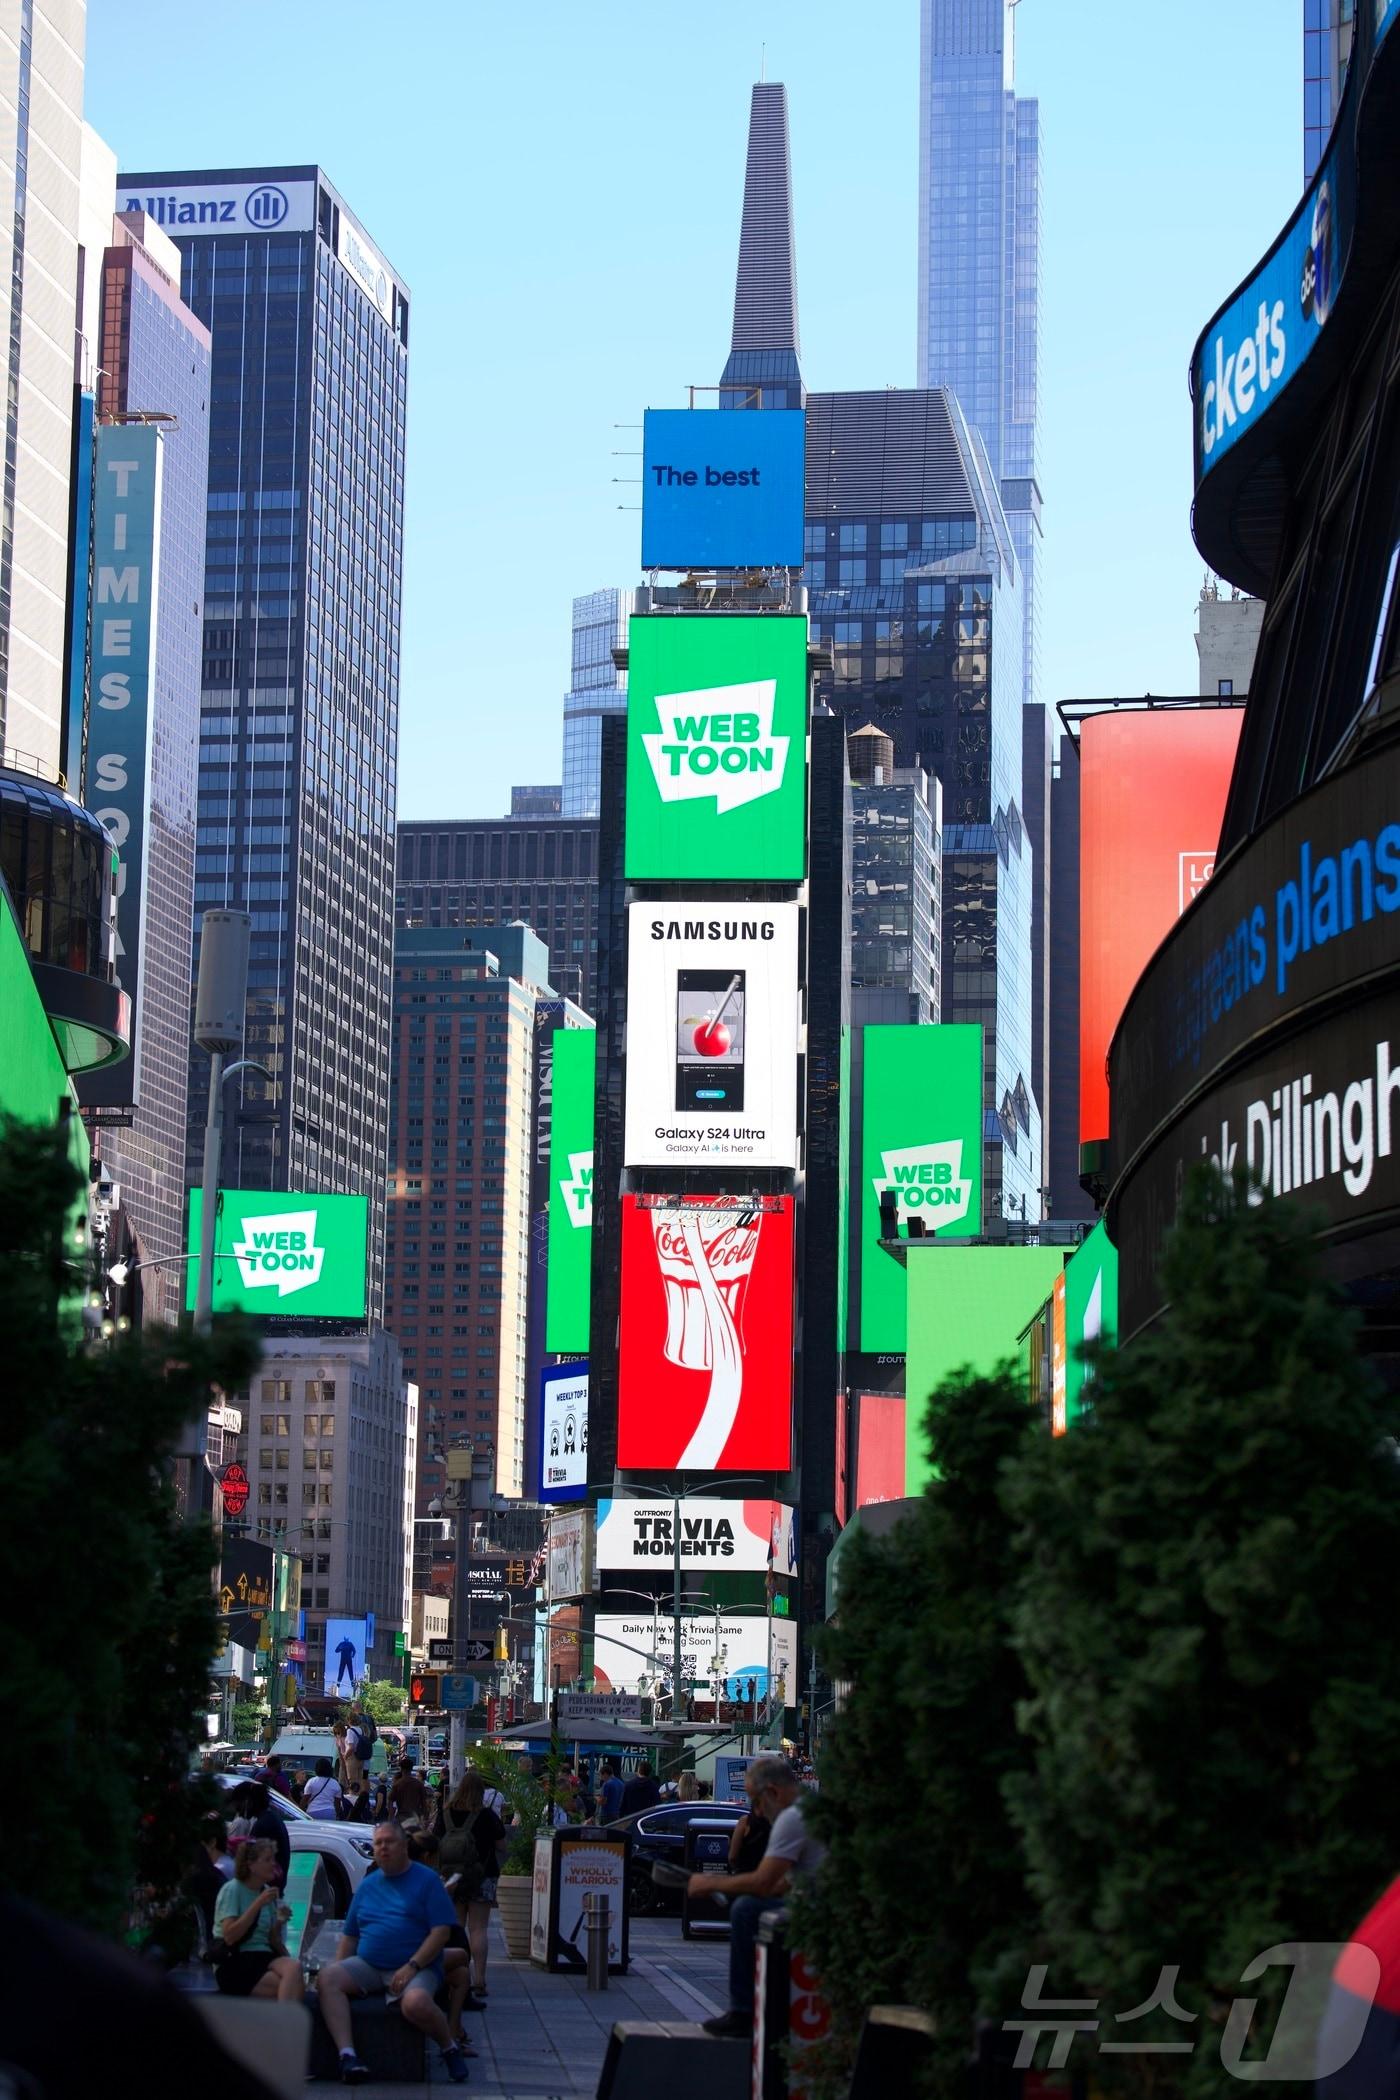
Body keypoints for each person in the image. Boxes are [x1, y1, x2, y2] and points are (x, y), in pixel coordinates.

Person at [314, 1820, 469, 2085]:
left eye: (389, 1842)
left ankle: (449, 2046)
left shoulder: (427, 1880)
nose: (383, 1848)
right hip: (370, 1965)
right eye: (378, 1843)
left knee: (415, 2003)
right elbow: (350, 1936)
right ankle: (347, 2055)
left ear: (405, 1846)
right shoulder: (368, 1885)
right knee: (328, 1978)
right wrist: (339, 1968)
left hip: (417, 1965)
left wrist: (413, 1965)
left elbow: (441, 1932)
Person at [688, 1755, 827, 2041]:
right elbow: (781, 1885)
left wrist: (711, 1883)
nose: (759, 1812)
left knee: (746, 1910)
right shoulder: (810, 1809)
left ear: (773, 1792)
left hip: (817, 1909)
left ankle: (743, 2012)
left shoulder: (792, 1817)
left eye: (757, 1801)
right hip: (820, 1902)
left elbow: (764, 1883)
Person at [436, 1771, 506, 2000]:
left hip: (453, 1878)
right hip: (482, 1876)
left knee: (456, 1927)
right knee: (479, 1929)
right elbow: (501, 1844)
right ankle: (479, 1980)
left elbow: (435, 1841)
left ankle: (456, 1976)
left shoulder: (446, 1813)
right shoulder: (486, 1815)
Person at [212, 1838, 303, 2004]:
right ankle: (287, 2028)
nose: (273, 1864)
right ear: (250, 1865)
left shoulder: (266, 1891)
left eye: (273, 1859)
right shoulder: (233, 1890)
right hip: (236, 1960)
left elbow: (271, 1939)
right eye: (267, 1860)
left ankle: (286, 2027)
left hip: (262, 1957)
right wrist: (258, 1903)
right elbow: (229, 1936)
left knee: (295, 1968)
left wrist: (280, 1921)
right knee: (290, 1986)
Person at [229, 1780, 289, 1886]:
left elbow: (252, 1864)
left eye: (238, 1804)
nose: (238, 1810)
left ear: (247, 1801)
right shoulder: (270, 1818)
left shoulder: (263, 1825)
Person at [390, 1755, 430, 1829]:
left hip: (401, 1818)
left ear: (401, 1769)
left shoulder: (397, 1784)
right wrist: (426, 1818)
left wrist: (390, 1818)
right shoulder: (419, 1784)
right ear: (411, 1769)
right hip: (414, 1818)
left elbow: (390, 1801)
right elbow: (425, 1803)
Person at [302, 1756, 343, 1821]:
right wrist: (337, 1815)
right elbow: (337, 1803)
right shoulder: (335, 1783)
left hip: (312, 1811)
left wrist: (300, 1811)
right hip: (329, 1812)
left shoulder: (311, 1781)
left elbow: (305, 1799)